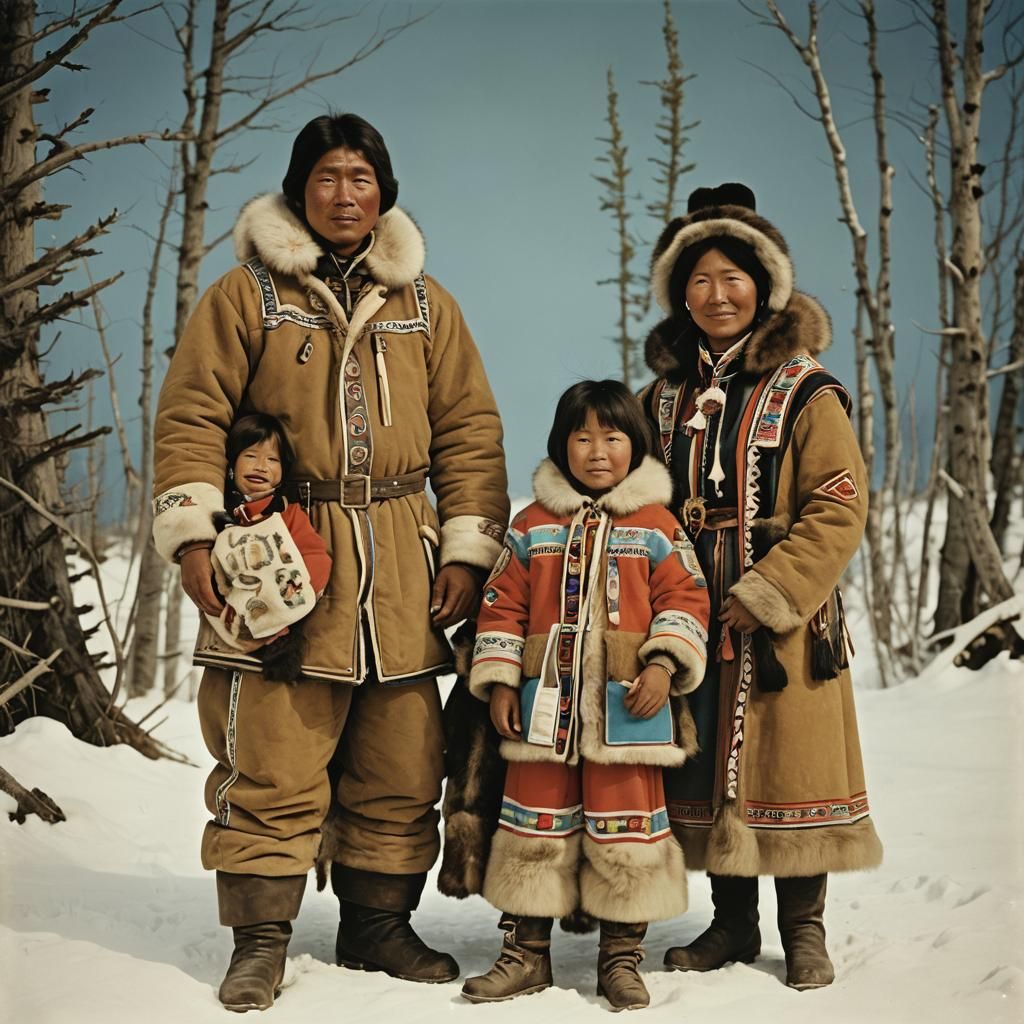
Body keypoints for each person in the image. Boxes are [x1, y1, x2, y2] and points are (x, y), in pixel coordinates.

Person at [151, 113, 510, 1011]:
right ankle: (261, 939)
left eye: (360, 177)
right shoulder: (245, 296)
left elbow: (470, 433)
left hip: (398, 553)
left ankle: (377, 925)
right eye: (326, 177)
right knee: (271, 747)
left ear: (384, 190)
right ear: (298, 189)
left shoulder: (427, 305)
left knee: (400, 754)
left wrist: (467, 548)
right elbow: (194, 412)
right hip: (277, 549)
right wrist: (195, 532)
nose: (345, 194)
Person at [639, 183, 883, 991]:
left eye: (732, 277)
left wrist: (768, 591)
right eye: (699, 279)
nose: (716, 294)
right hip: (690, 610)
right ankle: (730, 923)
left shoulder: (808, 390)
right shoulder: (663, 399)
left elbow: (839, 507)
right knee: (708, 768)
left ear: (764, 285)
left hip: (784, 623)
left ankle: (803, 929)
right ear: (681, 292)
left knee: (787, 770)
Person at [461, 380, 711, 1011]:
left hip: (629, 710)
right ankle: (525, 954)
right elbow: (502, 603)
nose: (597, 451)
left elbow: (686, 600)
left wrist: (662, 664)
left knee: (626, 833)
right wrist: (498, 679)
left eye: (612, 436)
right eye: (582, 437)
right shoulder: (533, 523)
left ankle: (621, 957)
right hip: (542, 706)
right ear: (561, 444)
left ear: (636, 444)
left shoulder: (657, 525)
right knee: (533, 828)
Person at [202, 413, 331, 681]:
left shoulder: (287, 514)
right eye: (251, 456)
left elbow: (316, 557)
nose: (261, 466)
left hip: (285, 609)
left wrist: (294, 600)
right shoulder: (220, 514)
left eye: (272, 460)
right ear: (231, 464)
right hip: (235, 619)